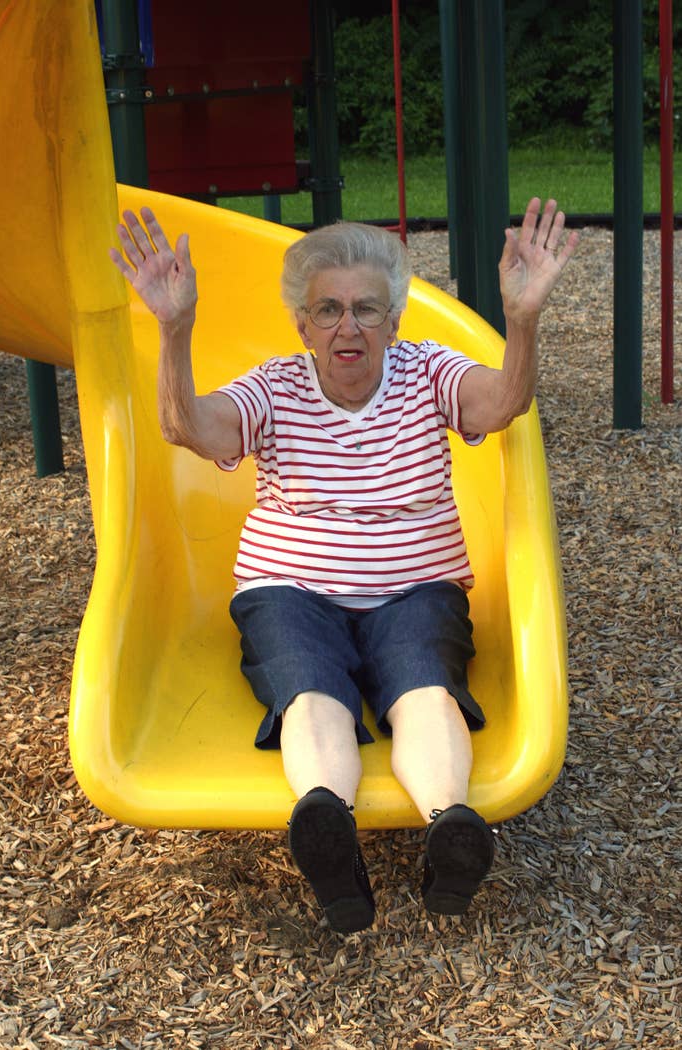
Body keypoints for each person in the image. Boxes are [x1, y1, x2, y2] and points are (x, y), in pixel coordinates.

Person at [110, 198, 578, 934]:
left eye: (366, 309)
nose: (347, 327)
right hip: (291, 588)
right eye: (327, 310)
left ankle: (450, 826)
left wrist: (522, 320)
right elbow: (189, 427)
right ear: (302, 323)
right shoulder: (275, 385)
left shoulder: (429, 374)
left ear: (395, 320)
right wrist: (176, 329)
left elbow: (501, 404)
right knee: (310, 689)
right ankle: (327, 826)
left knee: (424, 684)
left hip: (415, 585)